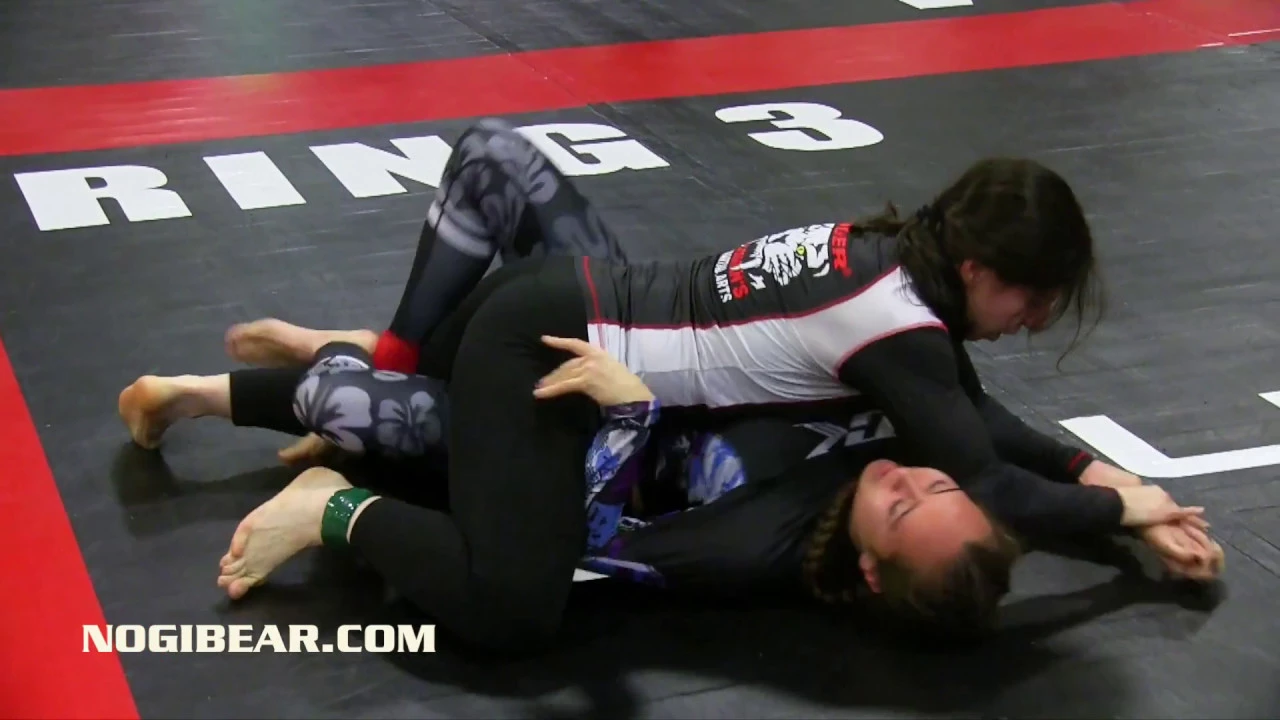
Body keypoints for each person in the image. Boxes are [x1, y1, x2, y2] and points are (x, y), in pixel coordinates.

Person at [118, 334, 1218, 649]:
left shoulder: (750, 548)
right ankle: (331, 364)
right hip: (611, 368)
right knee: (393, 385)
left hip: (554, 450)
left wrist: (630, 415)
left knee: (370, 412)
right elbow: (1003, 445)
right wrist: (1137, 506)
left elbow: (579, 546)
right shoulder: (934, 490)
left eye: (902, 502)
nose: (905, 471)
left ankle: (259, 420)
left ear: (872, 568)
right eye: (933, 480)